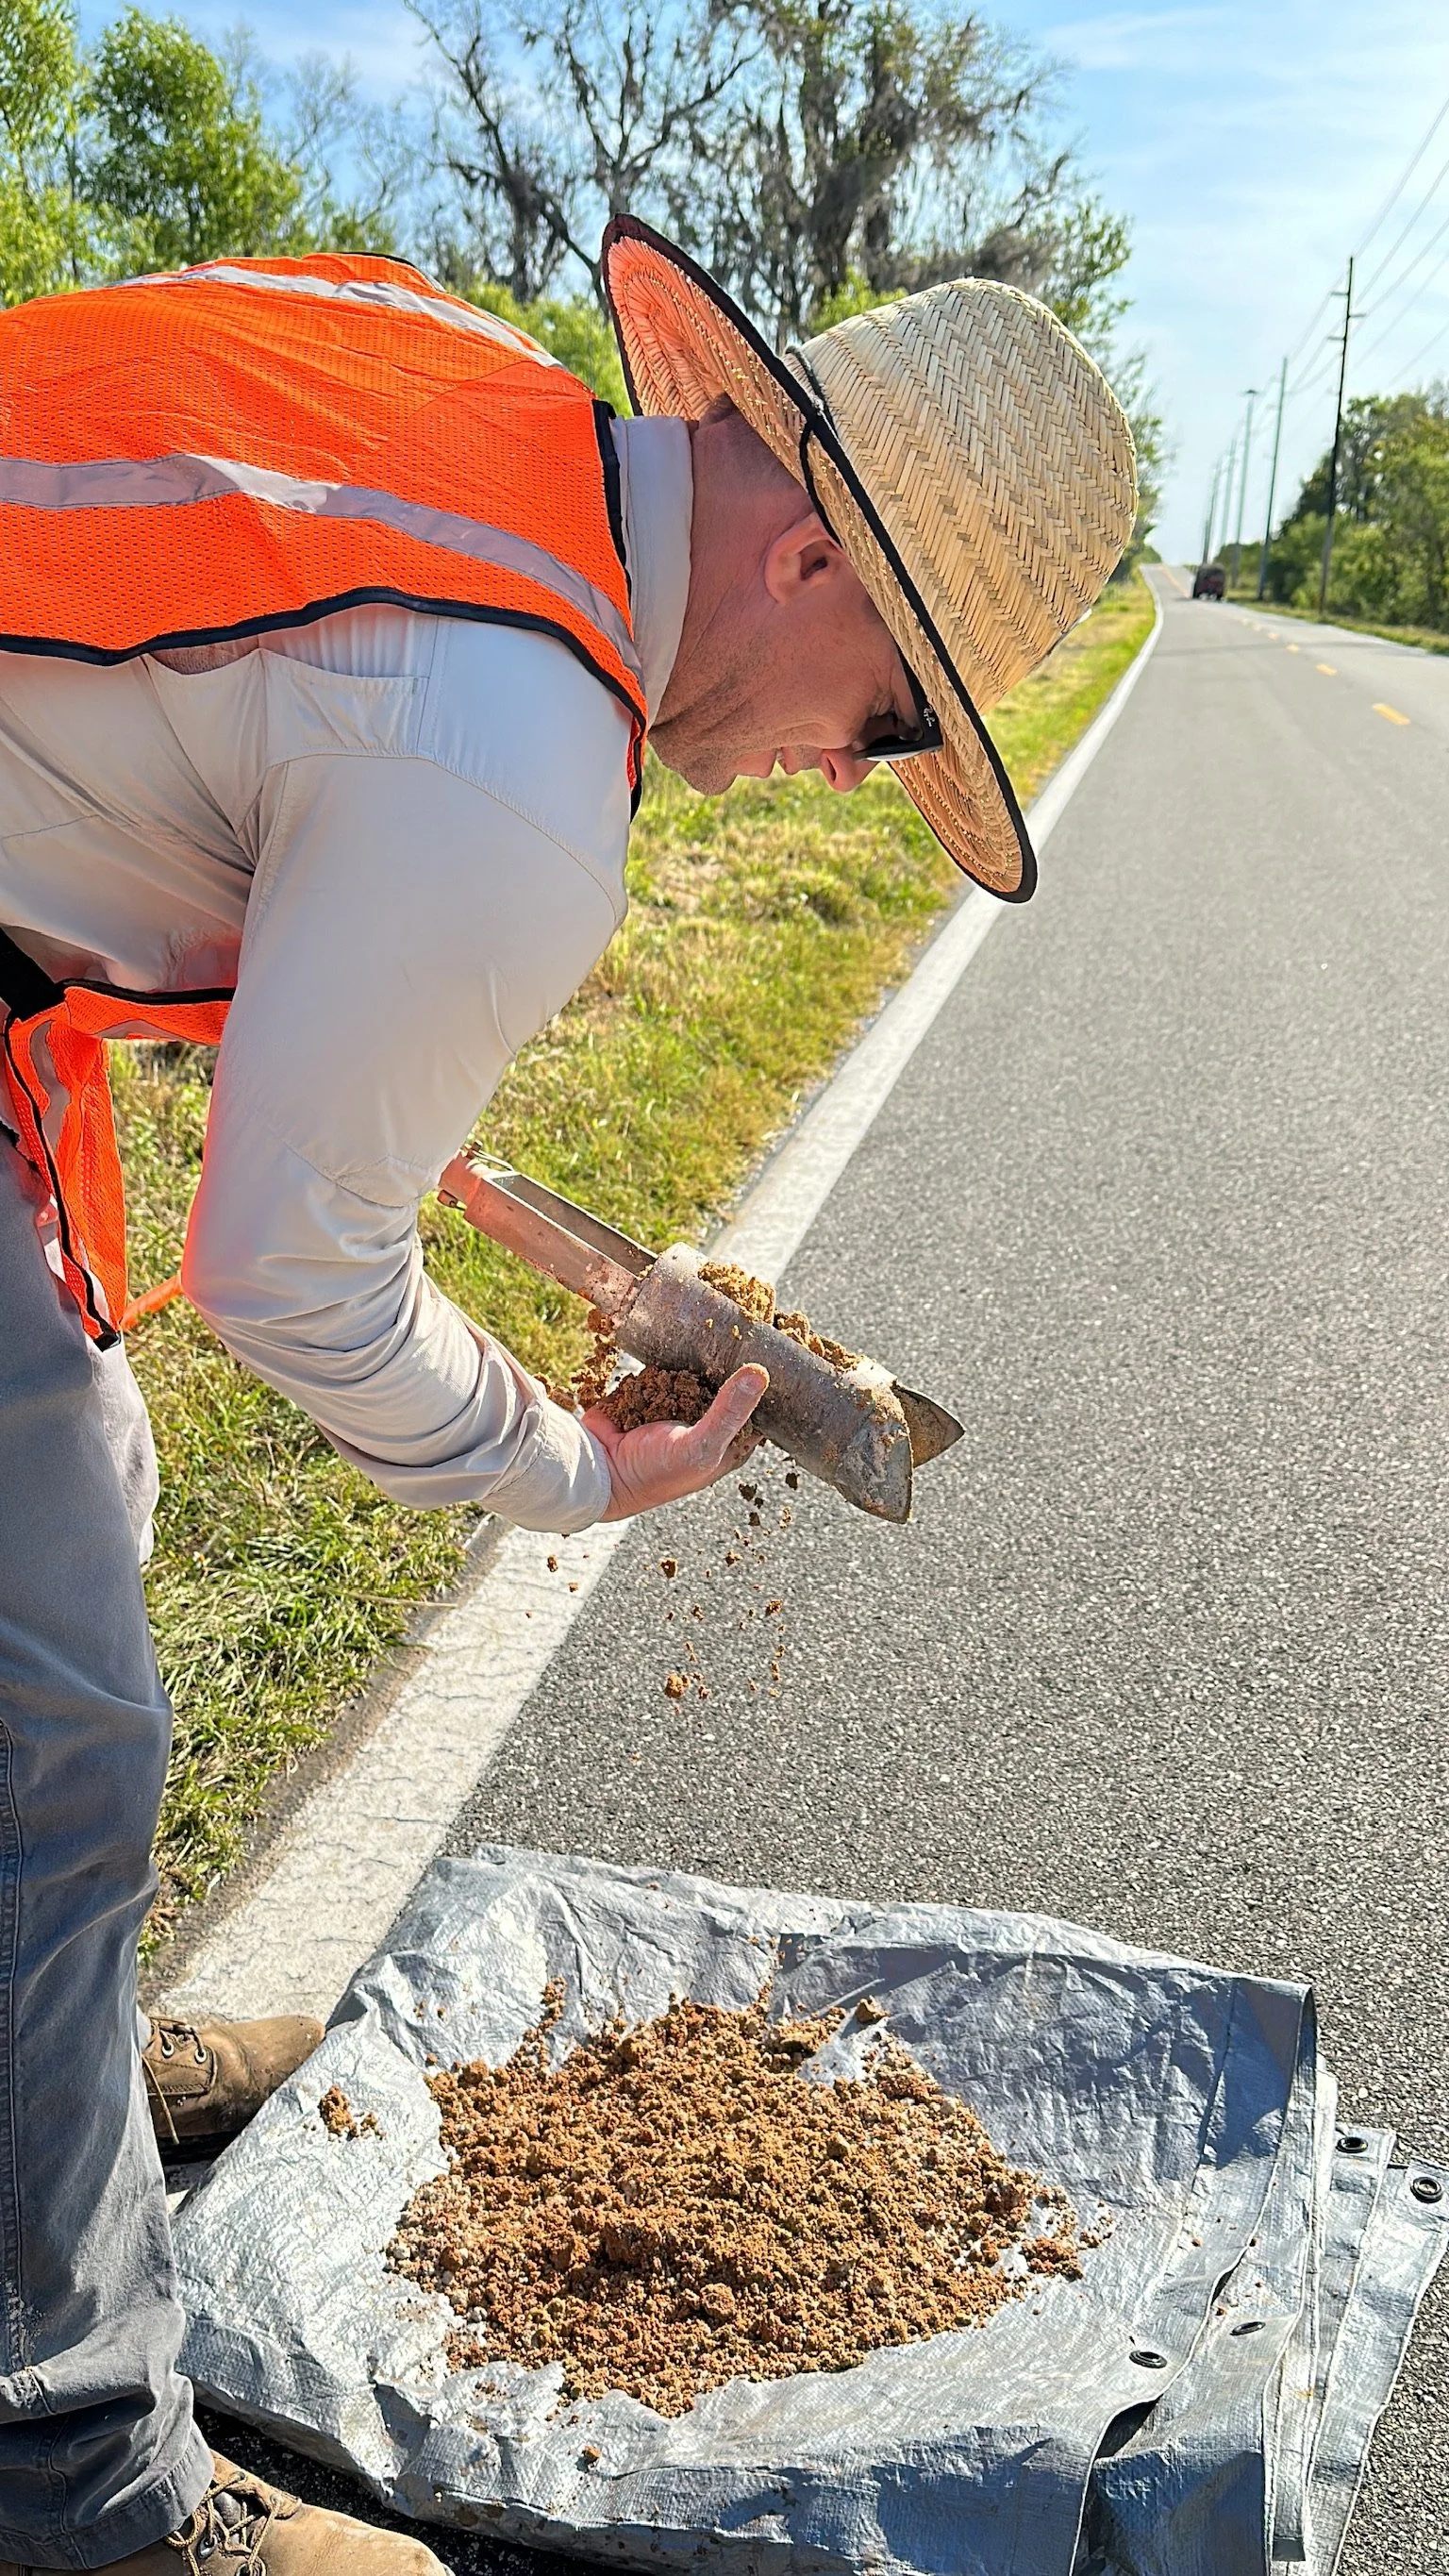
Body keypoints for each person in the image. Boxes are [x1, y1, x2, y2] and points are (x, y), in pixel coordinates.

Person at [0, 217, 1134, 2573]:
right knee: (58, 1734)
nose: (846, 784)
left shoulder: (451, 397)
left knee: (68, 1513)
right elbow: (297, 1276)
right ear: (815, 554)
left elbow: (202, 753)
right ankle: (77, 2482)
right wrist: (561, 1469)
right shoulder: (512, 751)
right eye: (898, 722)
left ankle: (68, 2089)